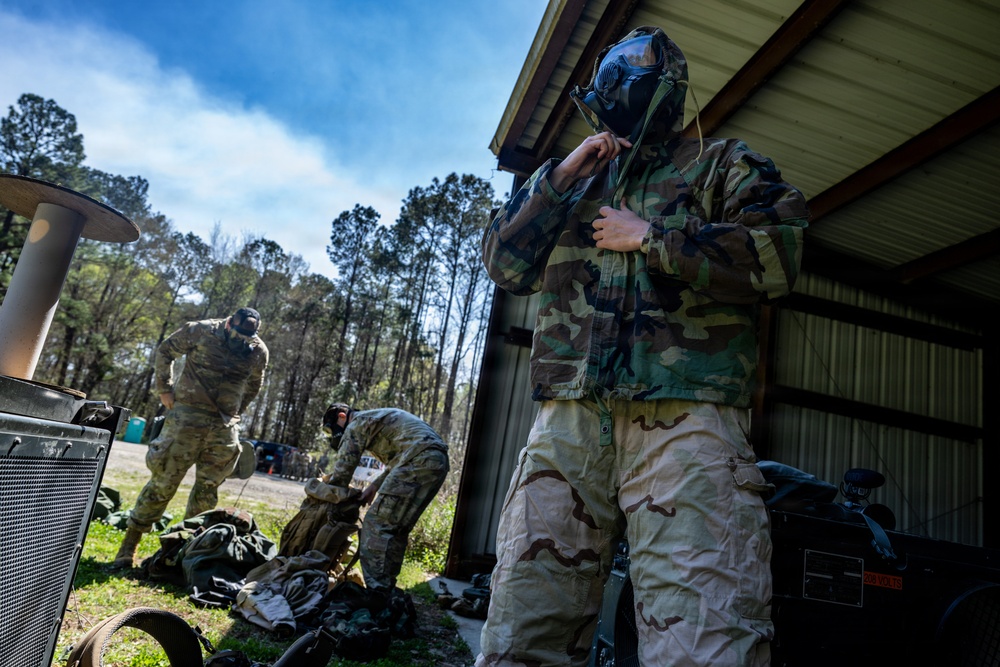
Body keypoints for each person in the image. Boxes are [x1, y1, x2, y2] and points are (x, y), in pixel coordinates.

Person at [476, 26, 809, 667]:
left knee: (706, 634)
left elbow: (781, 254)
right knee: (525, 622)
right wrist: (560, 177)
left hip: (689, 419)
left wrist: (652, 237)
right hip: (569, 421)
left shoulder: (721, 164)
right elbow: (504, 264)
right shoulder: (572, 180)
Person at [113, 306, 269, 568]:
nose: (242, 341)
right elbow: (165, 350)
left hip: (223, 426)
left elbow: (255, 384)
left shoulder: (257, 350)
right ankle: (128, 547)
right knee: (163, 482)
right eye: (238, 334)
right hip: (186, 419)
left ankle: (186, 552)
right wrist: (165, 389)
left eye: (247, 337)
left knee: (207, 493)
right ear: (230, 323)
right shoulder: (200, 330)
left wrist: (238, 411)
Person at [318, 403, 449, 601]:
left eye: (331, 429)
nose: (333, 435)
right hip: (435, 461)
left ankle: (377, 594)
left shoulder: (356, 424)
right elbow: (400, 456)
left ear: (342, 417)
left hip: (418, 459)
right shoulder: (375, 419)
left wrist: (327, 495)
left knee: (377, 524)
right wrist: (374, 486)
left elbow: (343, 470)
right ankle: (386, 590)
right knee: (396, 527)